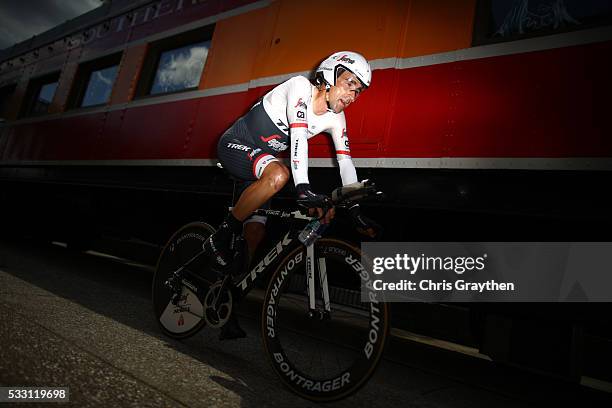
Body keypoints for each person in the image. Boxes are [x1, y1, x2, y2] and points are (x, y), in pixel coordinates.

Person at [207, 51, 379, 339]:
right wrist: (302, 188)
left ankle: (227, 302)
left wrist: (354, 209)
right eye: (349, 83)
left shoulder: (337, 119)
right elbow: (298, 137)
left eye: (358, 90)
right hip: (236, 145)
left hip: (260, 166)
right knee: (280, 175)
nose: (353, 94)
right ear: (328, 76)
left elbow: (346, 163)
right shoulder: (300, 87)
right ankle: (220, 236)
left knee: (253, 237)